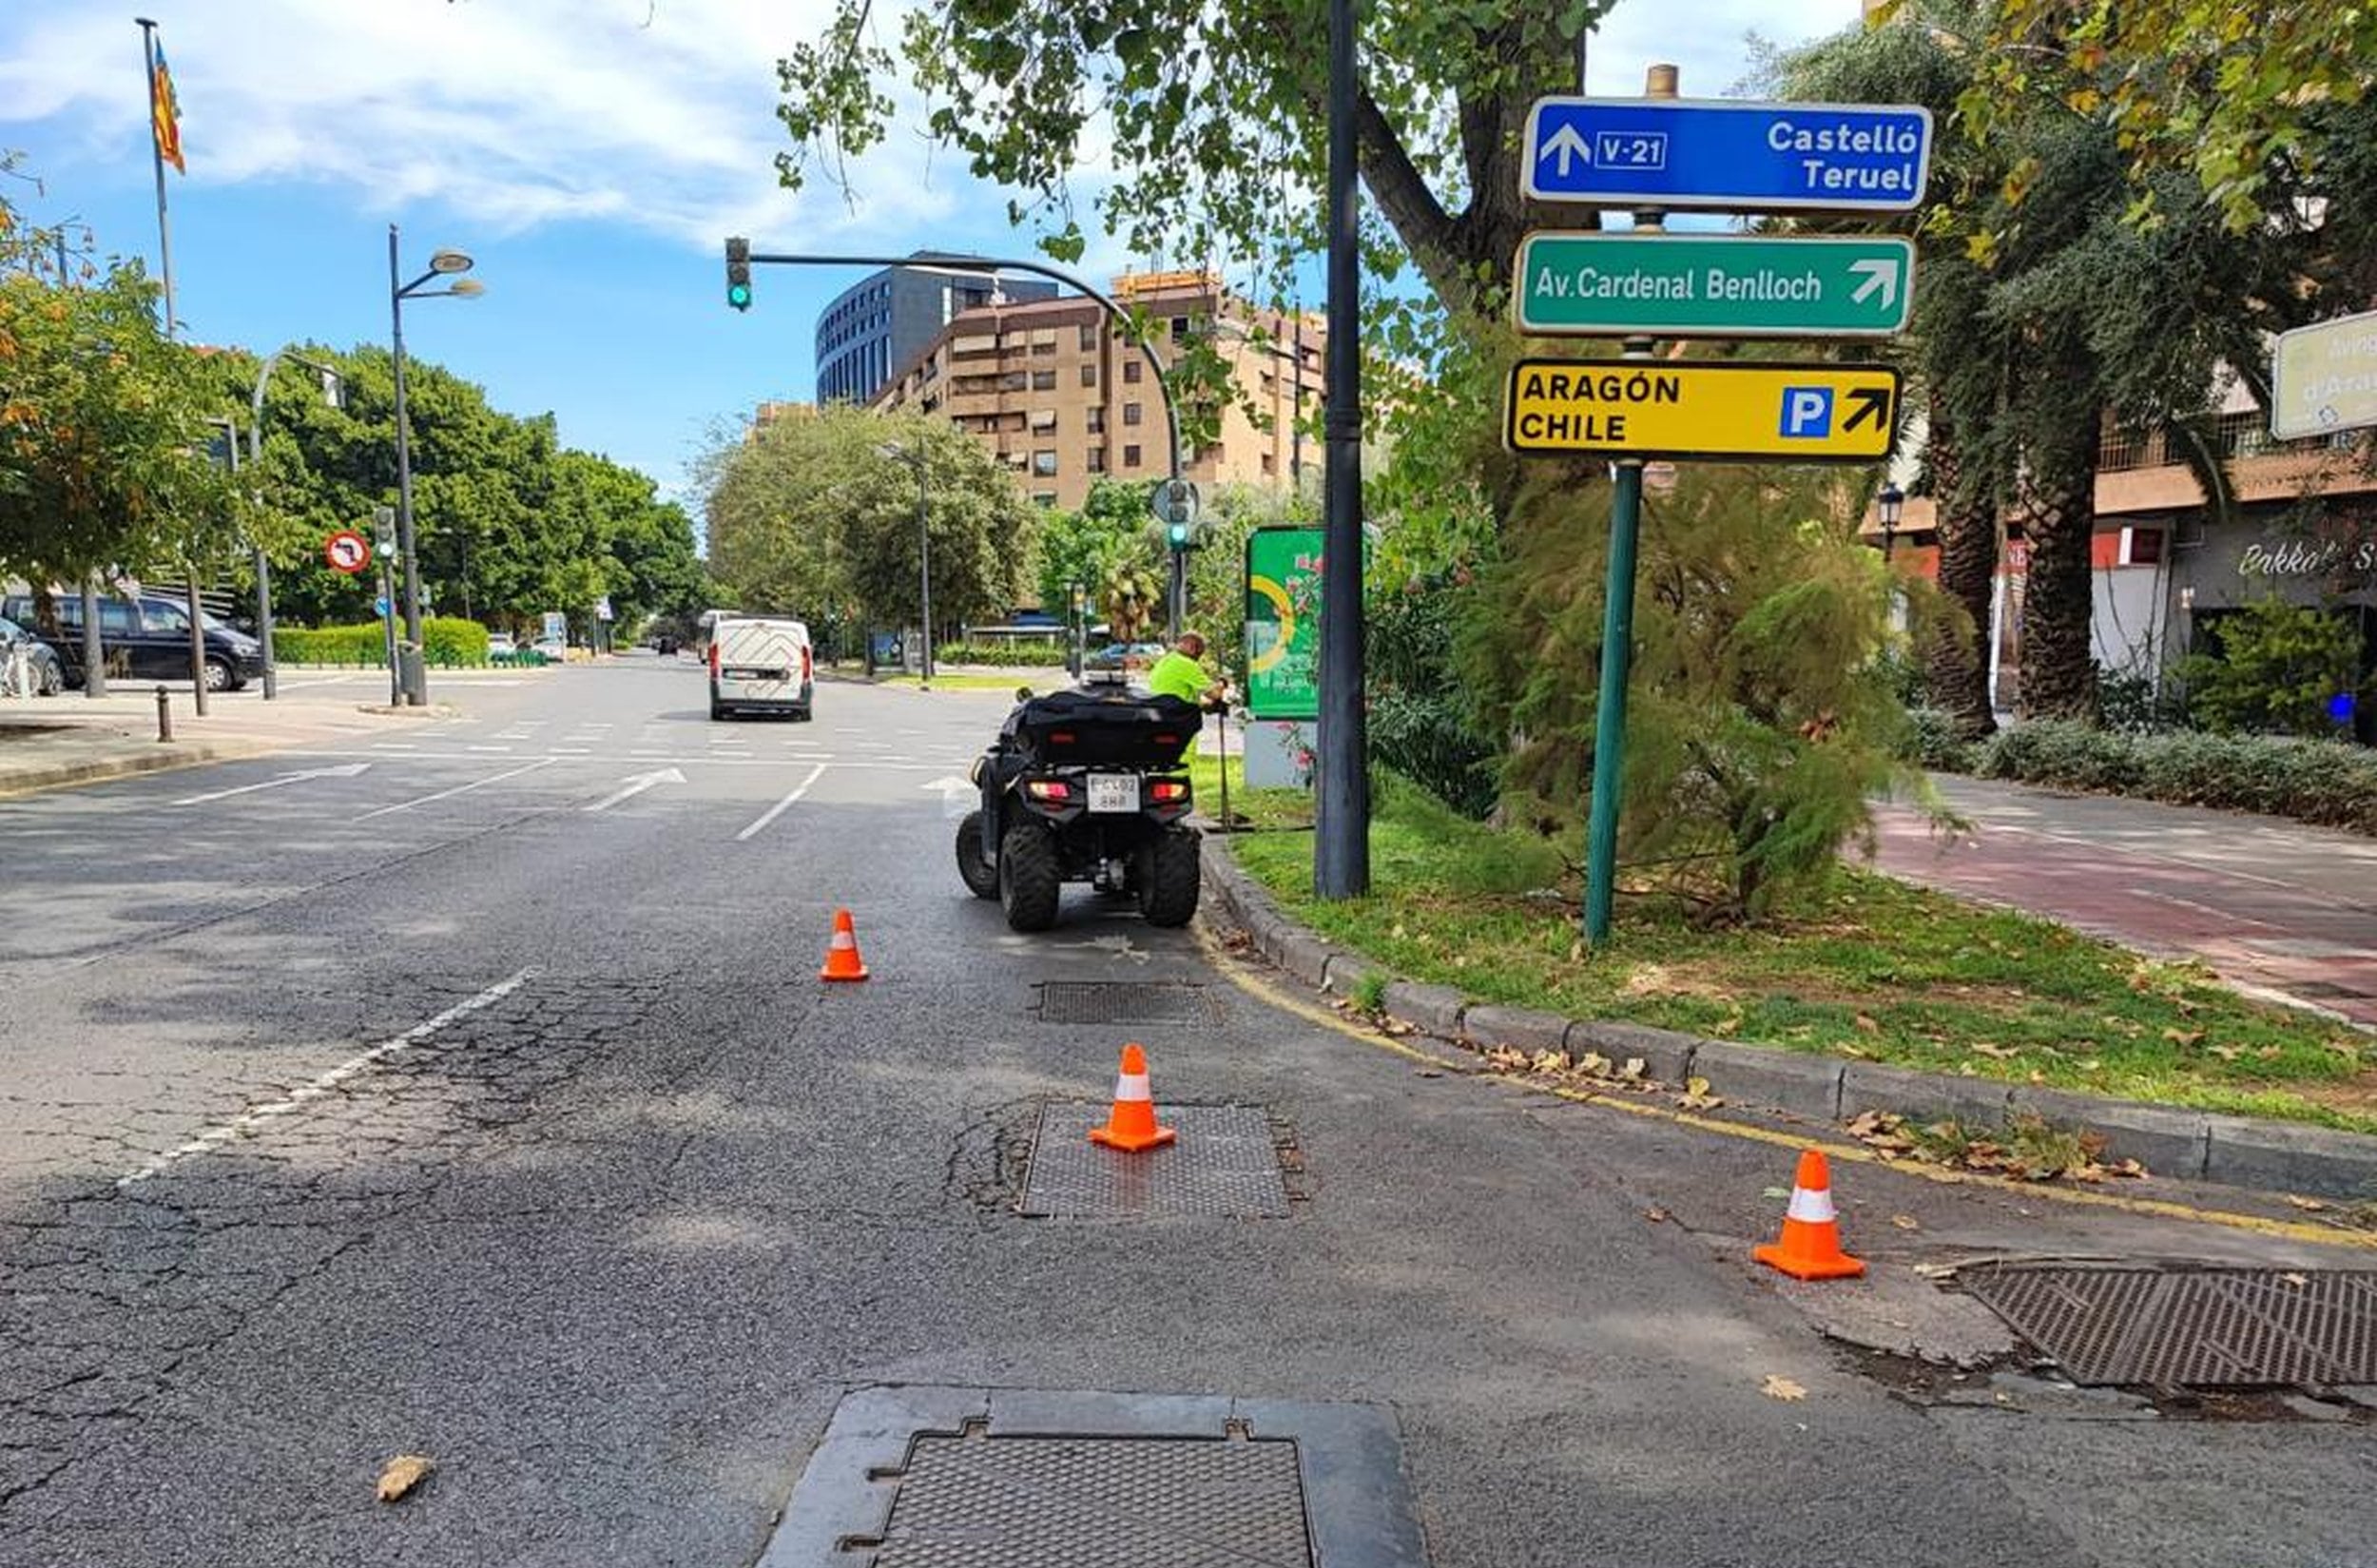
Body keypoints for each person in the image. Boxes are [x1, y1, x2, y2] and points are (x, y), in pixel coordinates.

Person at [1145, 631, 1228, 710]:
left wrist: (1206, 704)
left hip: (1162, 714)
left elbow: (1182, 694)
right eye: (1199, 653)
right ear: (1192, 648)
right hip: (1179, 717)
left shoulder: (1164, 660)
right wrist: (1221, 684)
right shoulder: (1186, 664)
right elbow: (1214, 695)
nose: (1198, 659)